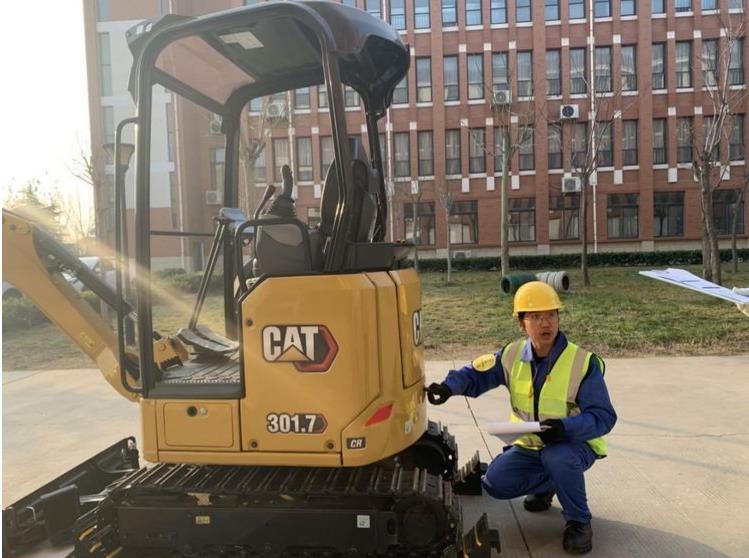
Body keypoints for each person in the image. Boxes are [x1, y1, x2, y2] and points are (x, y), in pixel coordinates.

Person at [426, 281, 616, 555]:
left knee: (558, 458)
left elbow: (603, 416)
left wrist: (565, 428)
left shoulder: (582, 362)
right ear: (521, 323)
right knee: (495, 483)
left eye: (551, 315)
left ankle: (579, 522)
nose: (545, 323)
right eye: (535, 317)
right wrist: (448, 387)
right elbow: (476, 374)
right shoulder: (511, 355)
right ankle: (549, 484)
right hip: (530, 445)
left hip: (573, 445)